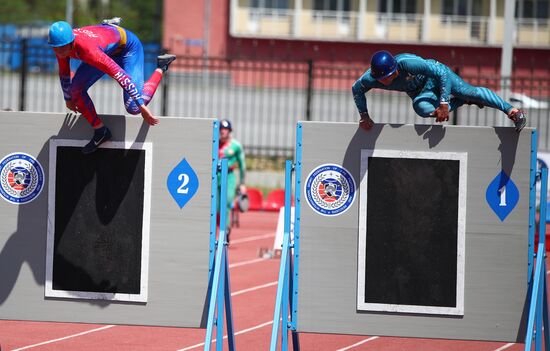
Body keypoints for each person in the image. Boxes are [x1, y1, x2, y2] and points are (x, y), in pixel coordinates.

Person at [48, 18, 177, 154]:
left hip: (128, 49)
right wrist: (68, 99)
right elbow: (64, 72)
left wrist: (141, 104)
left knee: (133, 107)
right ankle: (101, 131)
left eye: (62, 48)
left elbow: (120, 75)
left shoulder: (90, 52)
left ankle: (161, 67)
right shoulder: (62, 43)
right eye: (55, 48)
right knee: (75, 91)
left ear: (72, 41)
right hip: (106, 48)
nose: (60, 52)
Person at [352, 50, 527, 133]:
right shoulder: (371, 79)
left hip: (436, 77)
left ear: (395, 68)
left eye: (389, 76)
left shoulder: (408, 63)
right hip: (421, 92)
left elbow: (441, 73)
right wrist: (364, 115)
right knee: (420, 108)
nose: (385, 81)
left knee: (468, 92)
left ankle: (512, 111)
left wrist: (444, 103)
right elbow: (356, 89)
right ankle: (461, 102)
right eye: (381, 79)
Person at [218, 119, 246, 243]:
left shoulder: (236, 146)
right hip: (215, 176)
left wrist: (242, 183)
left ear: (229, 131)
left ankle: (225, 230)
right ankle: (216, 230)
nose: (223, 131)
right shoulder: (214, 143)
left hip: (228, 177)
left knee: (227, 201)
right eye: (221, 129)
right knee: (215, 206)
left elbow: (242, 165)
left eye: (225, 129)